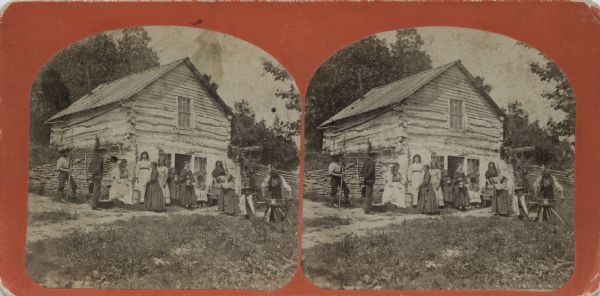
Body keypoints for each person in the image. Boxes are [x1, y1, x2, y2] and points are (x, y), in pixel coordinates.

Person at [88, 137, 105, 210]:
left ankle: (94, 204)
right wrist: (98, 174)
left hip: (95, 175)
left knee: (96, 189)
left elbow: (91, 166)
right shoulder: (99, 157)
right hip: (97, 175)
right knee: (96, 190)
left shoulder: (95, 156)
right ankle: (94, 205)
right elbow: (97, 167)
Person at [361, 149, 377, 214]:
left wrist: (362, 178)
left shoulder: (366, 161)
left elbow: (361, 171)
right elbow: (370, 172)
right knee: (369, 195)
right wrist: (365, 178)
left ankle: (365, 208)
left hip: (366, 180)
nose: (376, 157)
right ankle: (367, 210)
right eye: (375, 155)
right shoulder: (372, 162)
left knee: (366, 194)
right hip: (369, 180)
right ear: (373, 156)